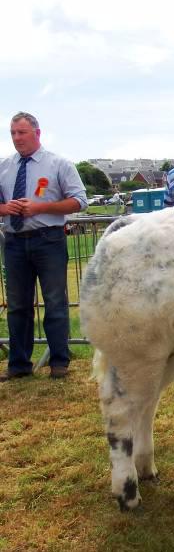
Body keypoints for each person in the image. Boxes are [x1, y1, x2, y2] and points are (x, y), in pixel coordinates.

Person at [0, 112, 88, 381]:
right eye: (13, 133)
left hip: (48, 239)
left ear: (37, 133)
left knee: (55, 302)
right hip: (14, 242)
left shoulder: (59, 164)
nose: (17, 138)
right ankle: (18, 364)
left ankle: (59, 361)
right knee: (17, 305)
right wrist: (5, 208)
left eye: (22, 132)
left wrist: (41, 208)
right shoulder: (4, 167)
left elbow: (79, 201)